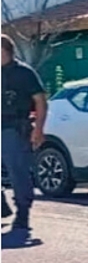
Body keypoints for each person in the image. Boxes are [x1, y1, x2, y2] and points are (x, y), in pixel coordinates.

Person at [1, 34, 48, 232]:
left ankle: (23, 212)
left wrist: (38, 129)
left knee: (18, 172)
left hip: (15, 128)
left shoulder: (24, 73)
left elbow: (40, 101)